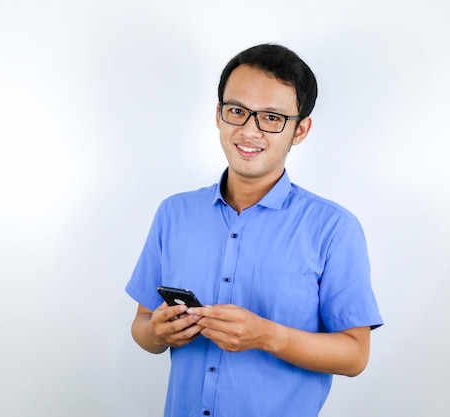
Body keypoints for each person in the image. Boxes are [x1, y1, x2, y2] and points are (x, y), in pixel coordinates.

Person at [125, 43, 383, 417]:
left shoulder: (334, 229)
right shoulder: (174, 213)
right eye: (237, 111)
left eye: (272, 118)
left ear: (300, 130)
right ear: (218, 114)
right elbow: (142, 327)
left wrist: (267, 336)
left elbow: (355, 356)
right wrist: (157, 333)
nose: (249, 130)